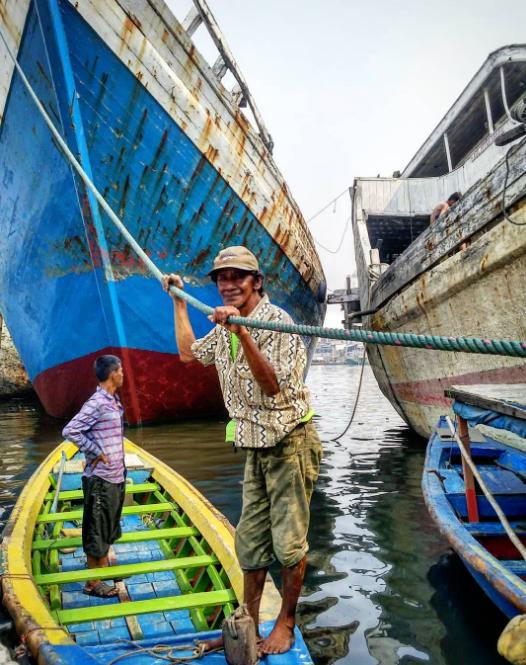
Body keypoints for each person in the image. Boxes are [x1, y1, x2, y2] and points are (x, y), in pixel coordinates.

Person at [162, 246, 322, 655]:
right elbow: (187, 354)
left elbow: (272, 386)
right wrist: (179, 301)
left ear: (257, 282)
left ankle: (285, 622)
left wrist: (242, 333)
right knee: (249, 543)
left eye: (237, 277)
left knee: (288, 544)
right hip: (254, 446)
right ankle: (245, 624)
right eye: (221, 278)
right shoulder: (223, 327)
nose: (228, 285)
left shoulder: (279, 324)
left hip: (290, 444)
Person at [62, 355, 126, 598]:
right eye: (120, 370)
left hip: (116, 476)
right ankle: (92, 582)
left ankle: (102, 567)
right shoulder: (97, 402)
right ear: (113, 374)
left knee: (109, 526)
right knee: (97, 529)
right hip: (100, 479)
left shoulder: (112, 400)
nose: (123, 374)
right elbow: (70, 430)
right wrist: (96, 451)